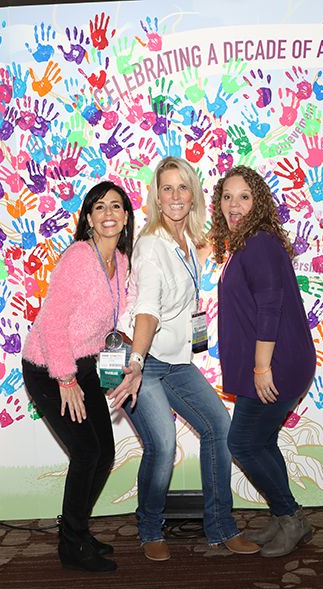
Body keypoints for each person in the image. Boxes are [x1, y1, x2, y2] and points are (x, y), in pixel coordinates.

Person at [108, 157, 259, 561]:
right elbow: (147, 311)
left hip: (176, 360)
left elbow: (211, 242)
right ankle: (149, 529)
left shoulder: (186, 241)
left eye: (182, 187)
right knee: (163, 444)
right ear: (157, 197)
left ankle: (221, 527)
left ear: (193, 195)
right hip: (142, 358)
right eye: (167, 188)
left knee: (219, 427)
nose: (175, 196)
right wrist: (135, 363)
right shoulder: (151, 246)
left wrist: (239, 216)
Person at [21, 181, 134, 572]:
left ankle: (78, 530)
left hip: (86, 365)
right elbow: (53, 323)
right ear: (88, 218)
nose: (108, 213)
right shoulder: (78, 257)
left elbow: (114, 319)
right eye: (99, 207)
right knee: (86, 453)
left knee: (104, 454)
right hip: (49, 367)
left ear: (125, 217)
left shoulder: (121, 261)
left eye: (115, 206)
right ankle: (71, 544)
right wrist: (65, 379)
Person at [208, 165, 316, 557]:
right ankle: (285, 516)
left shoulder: (259, 243)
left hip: (277, 363)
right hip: (271, 362)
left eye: (244, 197)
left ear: (259, 203)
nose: (234, 205)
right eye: (227, 197)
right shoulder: (244, 243)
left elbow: (270, 308)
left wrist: (261, 367)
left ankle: (291, 517)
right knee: (262, 441)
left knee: (242, 442)